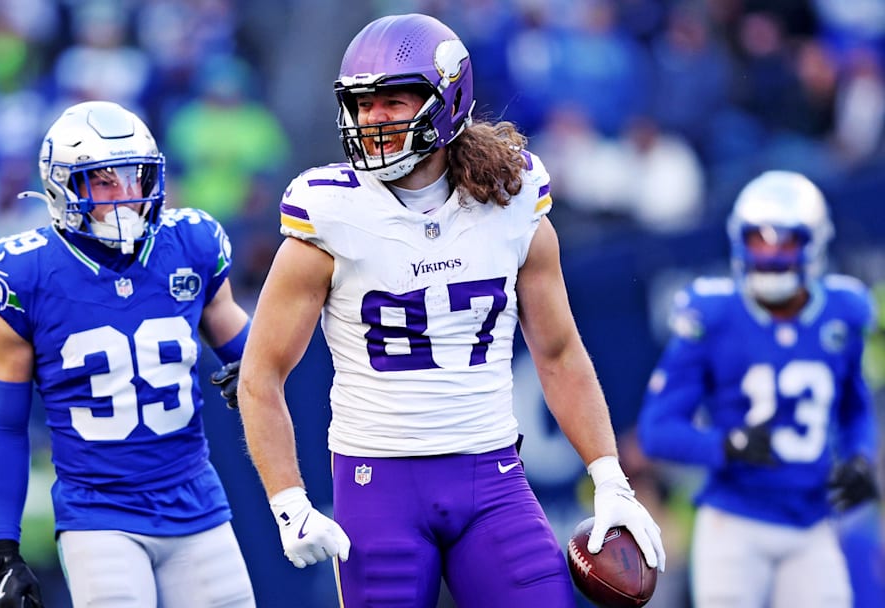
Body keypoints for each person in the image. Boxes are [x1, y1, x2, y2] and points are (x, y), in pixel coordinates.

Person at [233, 13, 665, 608]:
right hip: (376, 483)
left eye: (392, 100)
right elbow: (261, 374)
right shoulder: (330, 215)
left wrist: (609, 477)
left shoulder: (511, 201)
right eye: (362, 104)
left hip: (491, 478)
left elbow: (559, 352)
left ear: (446, 102)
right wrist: (287, 501)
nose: (372, 119)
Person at [0, 100, 256, 608]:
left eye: (136, 179)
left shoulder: (190, 244)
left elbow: (251, 349)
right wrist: (4, 549)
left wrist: (258, 368)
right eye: (104, 182)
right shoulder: (25, 275)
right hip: (98, 513)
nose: (126, 197)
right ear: (62, 186)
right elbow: (5, 425)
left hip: (197, 501)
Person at [637, 170, 880, 607]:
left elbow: (855, 409)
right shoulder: (714, 314)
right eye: (759, 241)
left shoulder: (843, 312)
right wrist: (726, 445)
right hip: (735, 521)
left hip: (811, 521)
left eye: (784, 242)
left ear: (814, 244)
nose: (770, 255)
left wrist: (861, 457)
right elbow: (657, 430)